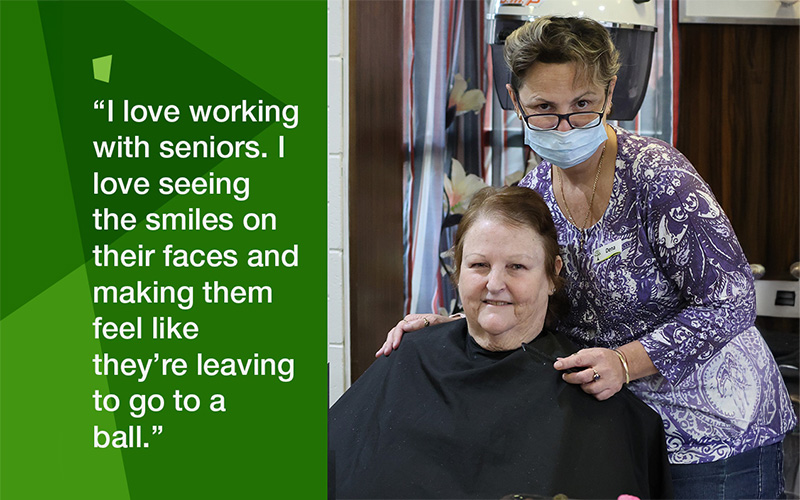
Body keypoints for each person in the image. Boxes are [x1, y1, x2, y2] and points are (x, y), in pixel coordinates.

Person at [377, 16, 797, 499]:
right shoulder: (533, 194)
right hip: (620, 427)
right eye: (543, 108)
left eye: (582, 105)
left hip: (714, 434)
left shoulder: (655, 176)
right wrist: (451, 326)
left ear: (610, 95)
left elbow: (731, 301)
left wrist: (626, 361)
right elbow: (536, 298)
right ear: (514, 101)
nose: (564, 125)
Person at [331, 187, 673, 499]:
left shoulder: (591, 390)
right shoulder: (409, 358)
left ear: (552, 275)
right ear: (457, 272)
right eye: (479, 265)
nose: (495, 283)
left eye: (517, 267)